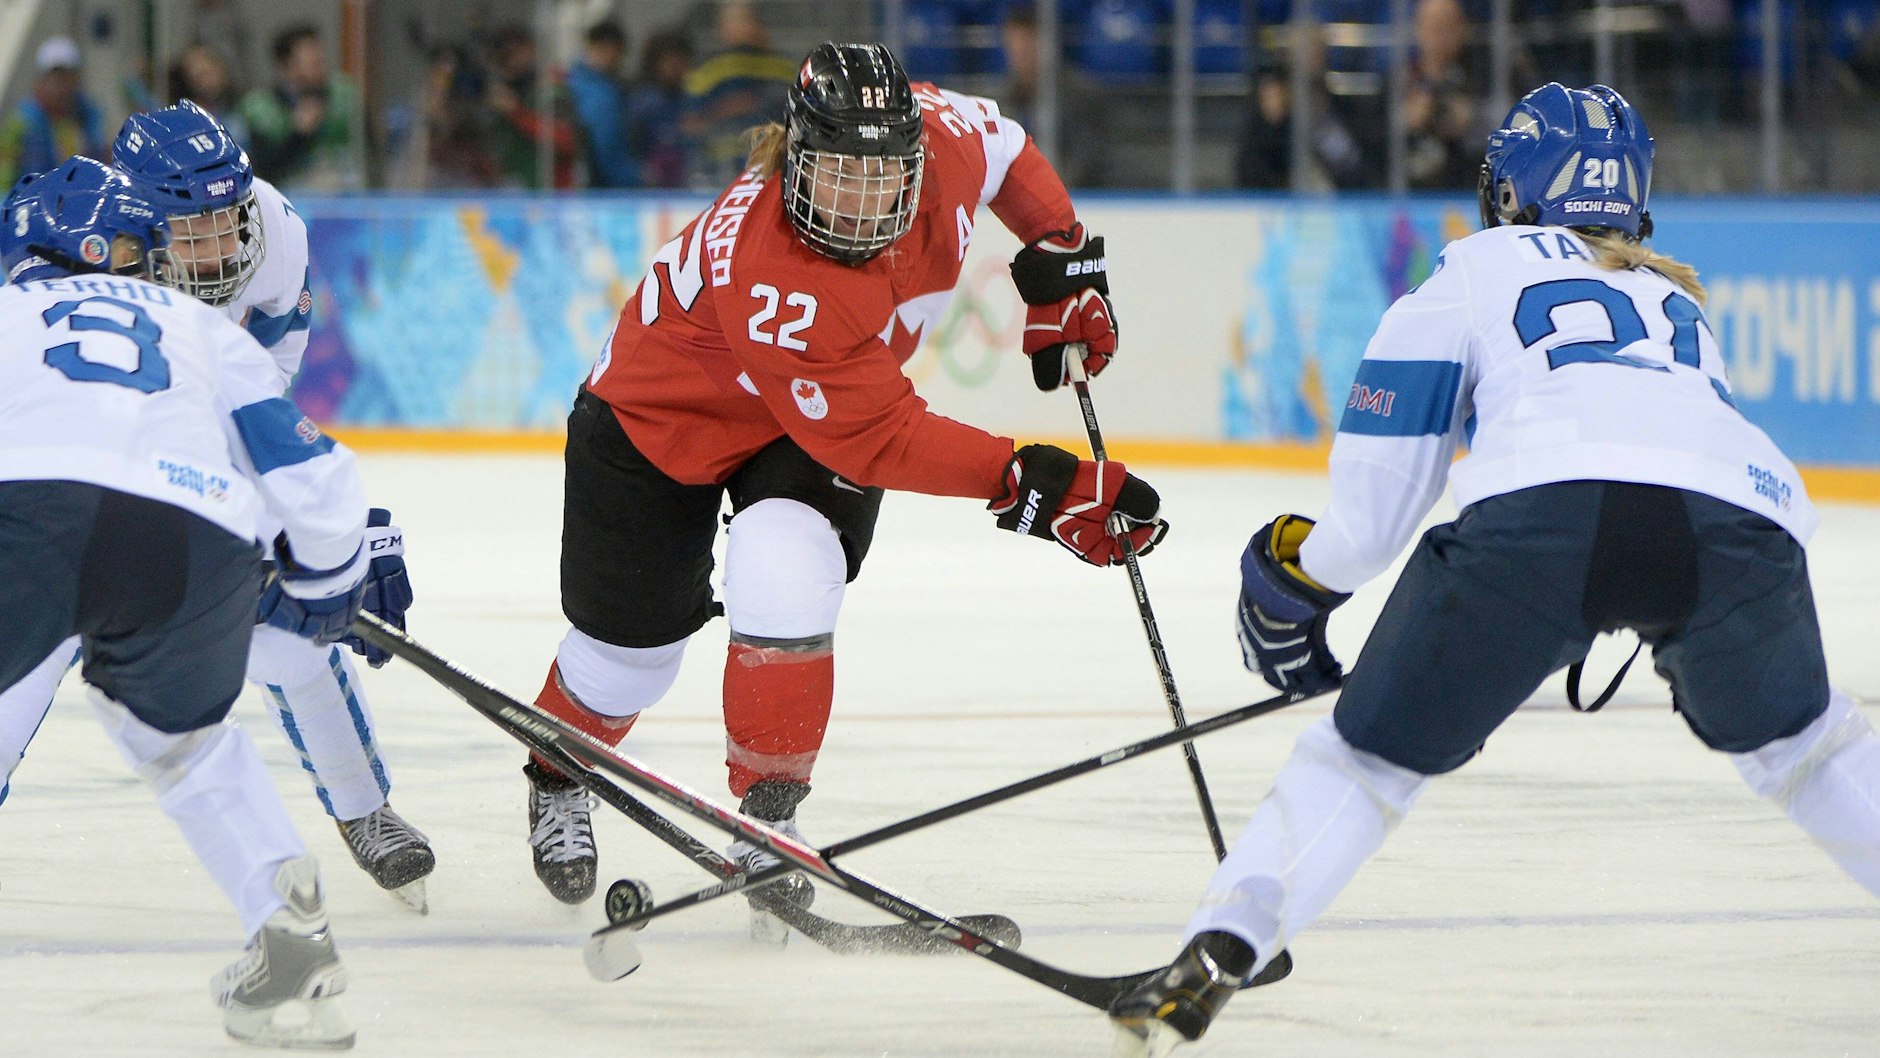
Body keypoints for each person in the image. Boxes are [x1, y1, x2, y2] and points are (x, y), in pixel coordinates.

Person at [1110, 83, 1880, 1056]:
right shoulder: (1673, 295)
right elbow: (1659, 472)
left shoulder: (1471, 269)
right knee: (1811, 751)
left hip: (1540, 517)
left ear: (1510, 189)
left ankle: (1220, 948)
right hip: (1742, 518)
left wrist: (1287, 586)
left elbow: (1370, 519)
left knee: (1365, 763)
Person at [519, 42, 1163, 936]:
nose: (861, 203)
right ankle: (558, 774)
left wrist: (1059, 251)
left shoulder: (944, 142)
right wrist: (1036, 485)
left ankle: (768, 823)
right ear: (794, 158)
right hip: (656, 422)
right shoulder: (775, 274)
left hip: (803, 421)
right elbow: (881, 435)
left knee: (786, 564)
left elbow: (1009, 148)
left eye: (881, 176)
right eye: (836, 176)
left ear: (917, 158)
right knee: (629, 658)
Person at [0, 101, 435, 910]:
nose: (223, 251)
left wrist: (289, 540)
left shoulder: (273, 231)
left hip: (136, 492)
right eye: (191, 233)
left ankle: (362, 806)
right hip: (81, 502)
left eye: (226, 223)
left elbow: (257, 404)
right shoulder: (80, 243)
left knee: (298, 652)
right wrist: (324, 557)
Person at [0, 155, 370, 1049]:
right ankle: (283, 920)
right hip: (193, 535)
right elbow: (313, 473)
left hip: (29, 516)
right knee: (185, 744)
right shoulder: (201, 328)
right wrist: (325, 588)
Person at [681, 1, 796, 189]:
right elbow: (690, 126)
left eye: (747, 19)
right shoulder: (705, 74)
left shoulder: (784, 71)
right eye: (736, 21)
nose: (744, 28)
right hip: (715, 170)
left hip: (772, 167)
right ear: (722, 28)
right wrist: (723, 111)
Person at [996, 3, 1111, 188]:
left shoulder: (1080, 94)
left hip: (1070, 194)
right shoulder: (1003, 99)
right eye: (1014, 46)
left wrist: (1047, 191)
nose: (1020, 53)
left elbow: (1086, 158)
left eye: (1027, 44)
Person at [236, 25, 362, 192]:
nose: (320, 69)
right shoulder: (260, 108)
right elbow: (263, 170)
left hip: (347, 193)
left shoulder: (345, 96)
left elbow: (371, 153)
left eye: (320, 61)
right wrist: (298, 135)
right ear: (287, 67)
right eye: (312, 63)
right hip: (290, 196)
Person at [0, 37, 107, 188]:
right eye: (54, 77)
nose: (60, 85)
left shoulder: (89, 115)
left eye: (66, 76)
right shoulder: (22, 120)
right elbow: (3, 176)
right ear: (41, 80)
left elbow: (100, 162)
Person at [484, 23, 579, 189]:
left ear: (530, 50)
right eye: (499, 58)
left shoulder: (551, 88)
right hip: (511, 187)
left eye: (511, 54)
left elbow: (566, 141)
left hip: (551, 190)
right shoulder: (501, 91)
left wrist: (516, 113)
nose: (509, 64)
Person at [568, 19, 637, 188]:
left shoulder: (572, 80)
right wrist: (636, 180)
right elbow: (607, 150)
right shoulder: (600, 94)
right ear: (609, 48)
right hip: (601, 188)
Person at [625, 29, 694, 189]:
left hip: (684, 184)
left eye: (682, 63)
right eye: (671, 64)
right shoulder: (643, 104)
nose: (677, 70)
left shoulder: (690, 100)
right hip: (650, 188)